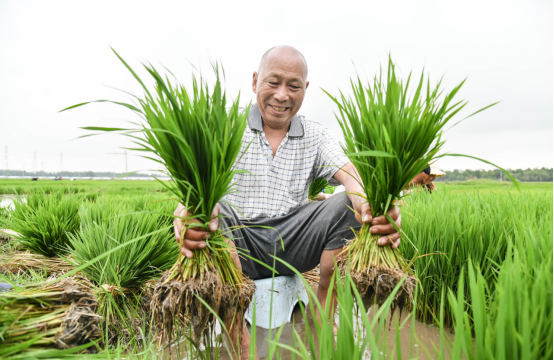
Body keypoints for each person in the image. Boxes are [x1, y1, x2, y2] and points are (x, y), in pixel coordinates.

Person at [173, 45, 402, 359]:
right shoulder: (226, 130)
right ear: (255, 81)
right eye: (273, 82)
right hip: (239, 245)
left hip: (293, 244)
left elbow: (351, 177)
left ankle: (324, 310)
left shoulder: (315, 135)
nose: (282, 95)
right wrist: (187, 215)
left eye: (293, 86)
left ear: (304, 89)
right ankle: (238, 334)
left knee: (346, 203)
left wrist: (375, 207)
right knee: (214, 208)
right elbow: (193, 191)